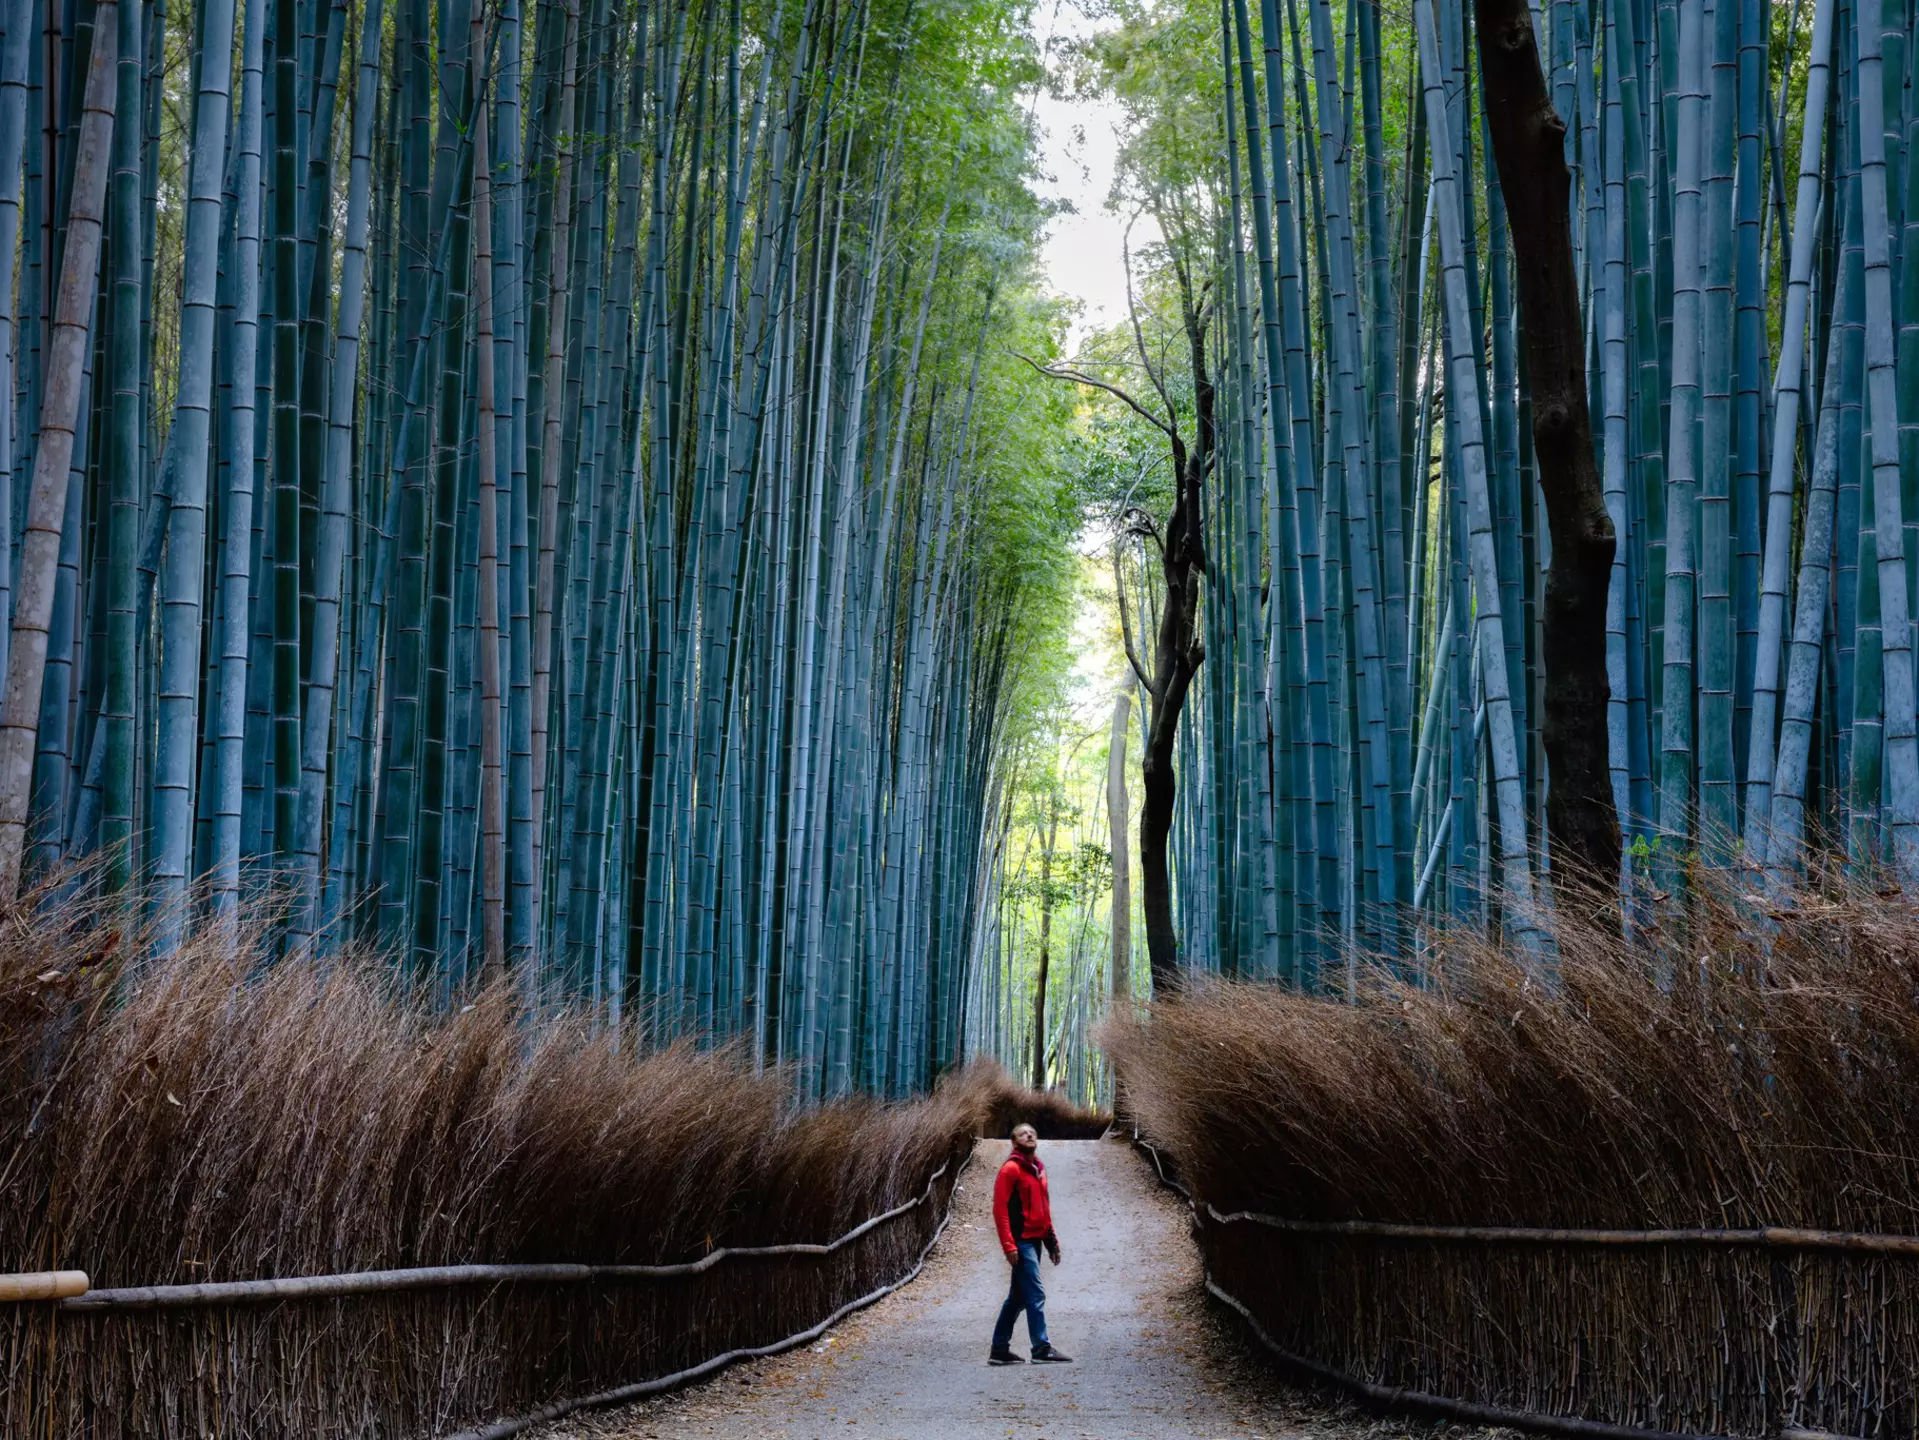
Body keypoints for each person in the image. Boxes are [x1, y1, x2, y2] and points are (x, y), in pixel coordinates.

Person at [988, 1122, 1072, 1364]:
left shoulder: (1038, 1168)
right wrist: (1009, 1246)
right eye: (1023, 1133)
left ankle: (999, 1350)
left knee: (1017, 1298)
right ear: (1014, 1142)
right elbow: (1000, 1210)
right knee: (1035, 1294)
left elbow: (1043, 1210)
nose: (1029, 1135)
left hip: (1035, 1240)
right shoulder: (1011, 1169)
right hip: (1021, 1241)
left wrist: (1052, 1243)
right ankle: (1041, 1348)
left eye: (1032, 1133)